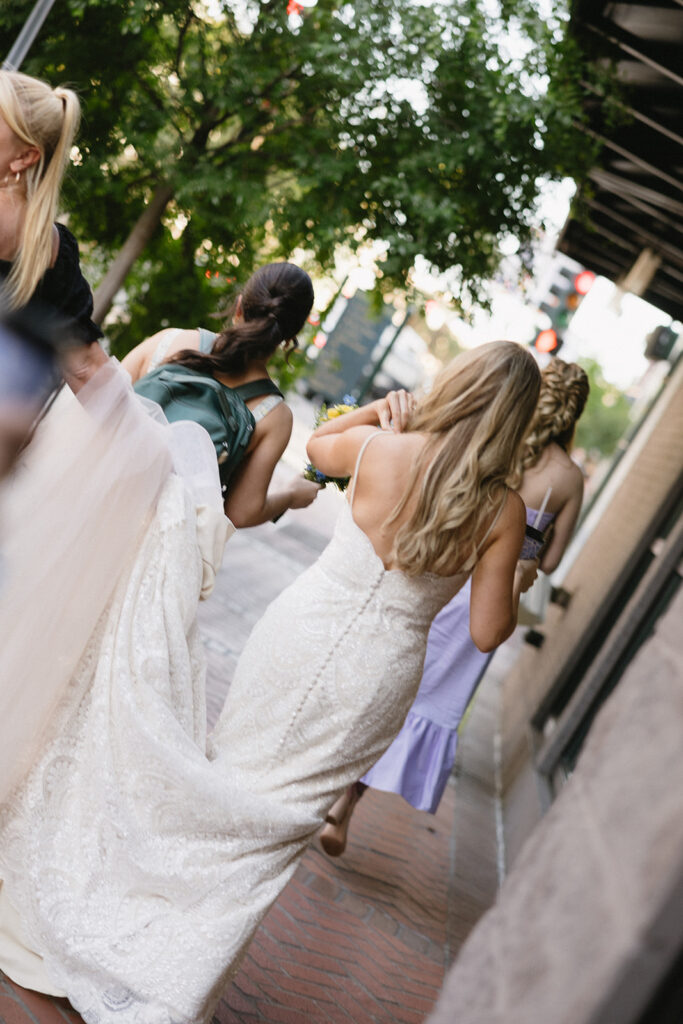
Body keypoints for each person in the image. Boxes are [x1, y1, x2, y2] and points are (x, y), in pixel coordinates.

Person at [0, 341, 539, 1023]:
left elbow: (320, 445)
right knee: (274, 827)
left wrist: (378, 410)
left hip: (300, 632)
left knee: (225, 782)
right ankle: (173, 973)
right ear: (515, 421)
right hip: (378, 677)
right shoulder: (503, 511)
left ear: (457, 387)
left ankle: (137, 910)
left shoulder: (380, 447)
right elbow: (489, 632)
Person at [320, 358, 589, 855]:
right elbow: (550, 560)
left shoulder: (500, 439)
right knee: (419, 698)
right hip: (492, 595)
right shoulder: (569, 478)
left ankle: (334, 790)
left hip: (446, 575)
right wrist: (526, 556)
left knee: (389, 681)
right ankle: (343, 805)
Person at [121, 262, 321, 526]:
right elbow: (241, 512)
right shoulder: (274, 415)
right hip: (156, 533)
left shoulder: (171, 341)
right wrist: (290, 496)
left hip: (102, 490)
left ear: (239, 307)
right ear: (289, 338)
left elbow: (103, 403)